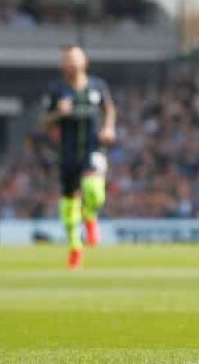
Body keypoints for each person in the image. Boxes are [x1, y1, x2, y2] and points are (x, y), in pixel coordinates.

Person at [42, 45, 116, 270]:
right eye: (67, 60)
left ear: (84, 61)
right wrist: (58, 113)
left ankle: (90, 215)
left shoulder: (97, 86)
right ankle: (75, 246)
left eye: (75, 59)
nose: (72, 64)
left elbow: (109, 109)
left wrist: (109, 128)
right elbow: (45, 122)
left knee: (94, 191)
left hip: (93, 149)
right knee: (69, 202)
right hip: (67, 154)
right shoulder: (57, 91)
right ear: (63, 65)